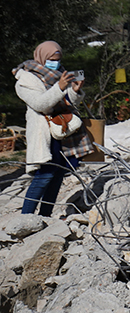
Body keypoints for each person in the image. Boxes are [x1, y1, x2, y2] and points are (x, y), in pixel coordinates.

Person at [13, 41, 93, 217]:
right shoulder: (25, 80)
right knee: (44, 175)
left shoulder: (58, 75)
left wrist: (74, 91)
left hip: (62, 132)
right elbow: (40, 104)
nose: (54, 63)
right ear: (41, 57)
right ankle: (26, 217)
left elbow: (67, 103)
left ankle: (45, 216)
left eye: (57, 59)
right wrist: (60, 87)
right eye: (51, 59)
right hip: (44, 133)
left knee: (57, 175)